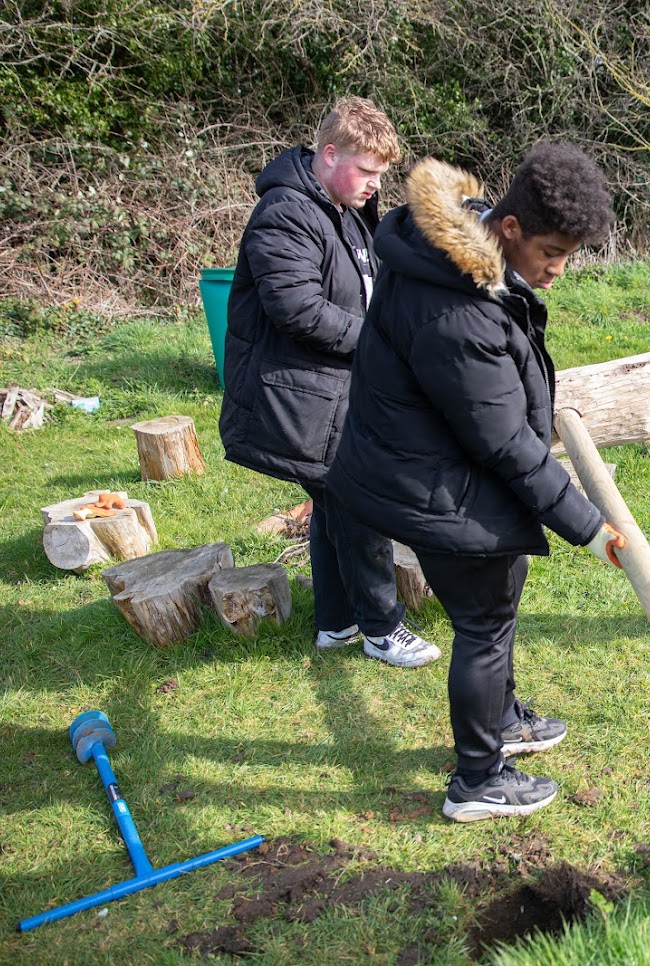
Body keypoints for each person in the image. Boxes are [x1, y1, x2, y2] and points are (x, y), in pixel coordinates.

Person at [326, 144, 627, 823]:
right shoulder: (455, 307)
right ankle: (478, 779)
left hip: (435, 461)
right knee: (483, 623)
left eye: (569, 256)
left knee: (497, 606)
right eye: (551, 252)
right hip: (434, 483)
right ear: (510, 227)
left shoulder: (457, 255)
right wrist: (587, 526)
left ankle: (505, 719)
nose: (556, 271)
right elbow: (503, 442)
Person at [219, 96, 441, 669]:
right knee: (360, 500)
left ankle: (336, 624)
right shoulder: (287, 213)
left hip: (332, 393)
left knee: (335, 500)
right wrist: (381, 340)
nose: (374, 184)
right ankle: (382, 629)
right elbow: (296, 308)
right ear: (329, 152)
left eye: (380, 174)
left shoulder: (344, 210)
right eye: (366, 171)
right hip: (298, 395)